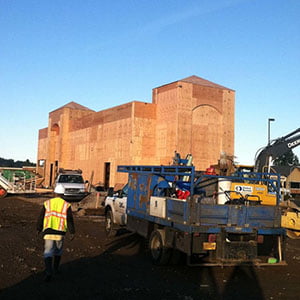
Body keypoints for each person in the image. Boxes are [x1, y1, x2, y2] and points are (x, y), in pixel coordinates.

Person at [37, 185, 75, 282]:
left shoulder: (47, 203)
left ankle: (48, 272)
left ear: (54, 193)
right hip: (60, 232)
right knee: (58, 251)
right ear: (63, 194)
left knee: (48, 252)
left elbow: (41, 216)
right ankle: (56, 269)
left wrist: (38, 228)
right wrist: (72, 232)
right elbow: (69, 219)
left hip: (48, 232)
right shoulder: (66, 205)